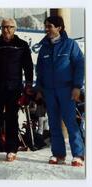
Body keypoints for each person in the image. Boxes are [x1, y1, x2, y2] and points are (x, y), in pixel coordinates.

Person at [0, 18, 33, 163]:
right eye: (4, 27)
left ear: (15, 29)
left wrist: (28, 85)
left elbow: (28, 67)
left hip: (14, 87)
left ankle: (12, 149)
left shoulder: (22, 45)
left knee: (12, 119)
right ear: (1, 29)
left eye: (10, 27)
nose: (7, 30)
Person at [35, 16, 85, 167]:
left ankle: (78, 155)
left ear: (59, 28)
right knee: (53, 122)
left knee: (70, 122)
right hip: (49, 91)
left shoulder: (70, 45)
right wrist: (39, 89)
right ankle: (58, 154)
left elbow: (79, 66)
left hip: (67, 89)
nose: (47, 29)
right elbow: (40, 70)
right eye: (46, 26)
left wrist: (77, 86)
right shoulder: (44, 47)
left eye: (50, 26)